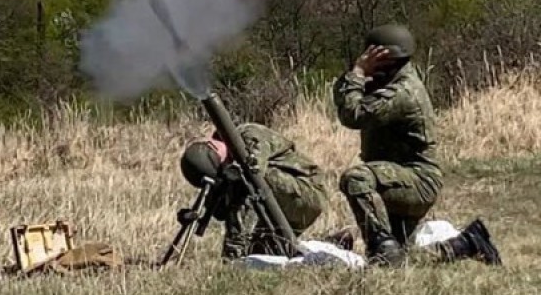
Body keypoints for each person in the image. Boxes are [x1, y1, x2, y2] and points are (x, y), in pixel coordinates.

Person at [333, 23, 501, 266]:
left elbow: (353, 115)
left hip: (416, 180)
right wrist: (354, 76)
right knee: (406, 258)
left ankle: (382, 253)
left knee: (356, 178)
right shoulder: (389, 81)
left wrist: (358, 74)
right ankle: (466, 243)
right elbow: (342, 99)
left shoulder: (402, 91)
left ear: (385, 59)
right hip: (396, 179)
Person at [179, 122, 329, 260]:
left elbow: (254, 180)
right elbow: (221, 213)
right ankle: (333, 243)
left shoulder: (248, 135)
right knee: (263, 256)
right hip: (275, 207)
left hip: (307, 194)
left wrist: (233, 250)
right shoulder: (225, 165)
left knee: (247, 177)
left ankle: (234, 260)